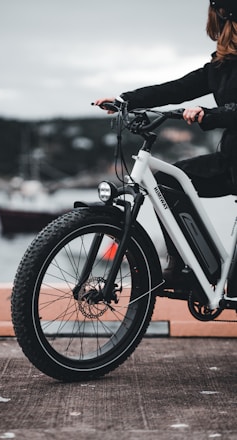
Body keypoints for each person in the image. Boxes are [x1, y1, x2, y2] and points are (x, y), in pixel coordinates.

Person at [94, 0, 237, 291]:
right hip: (231, 161)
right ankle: (186, 266)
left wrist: (210, 114)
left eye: (219, 17)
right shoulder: (221, 67)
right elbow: (177, 88)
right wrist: (126, 101)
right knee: (166, 182)